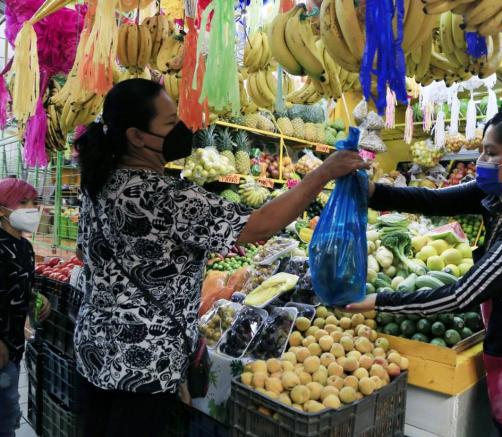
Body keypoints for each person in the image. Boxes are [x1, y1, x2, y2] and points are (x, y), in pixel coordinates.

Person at [73, 78, 368, 436]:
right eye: (169, 123)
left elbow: (87, 252)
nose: (181, 129)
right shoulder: (168, 196)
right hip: (145, 363)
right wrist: (323, 173)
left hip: (94, 348)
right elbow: (260, 225)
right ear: (136, 136)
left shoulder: (97, 184)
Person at [347, 106, 502, 436]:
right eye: (481, 152)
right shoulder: (497, 195)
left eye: (491, 154)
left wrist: (379, 301)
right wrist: (372, 192)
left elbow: (464, 294)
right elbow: (430, 200)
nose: (481, 163)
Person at [0, 178, 51, 437]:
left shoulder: (25, 247)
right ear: (2, 210)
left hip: (13, 345)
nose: (32, 208)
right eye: (22, 202)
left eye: (33, 201)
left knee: (7, 412)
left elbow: (20, 285)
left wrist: (35, 300)